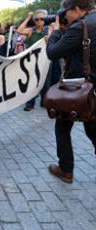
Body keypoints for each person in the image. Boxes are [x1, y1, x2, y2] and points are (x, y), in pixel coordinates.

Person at [46, 0, 96, 183]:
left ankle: (66, 169)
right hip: (90, 89)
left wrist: (56, 32)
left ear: (76, 8)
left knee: (62, 126)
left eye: (65, 11)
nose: (64, 15)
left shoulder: (80, 27)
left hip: (82, 91)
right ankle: (65, 168)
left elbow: (52, 52)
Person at [17, 10, 49, 111]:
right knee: (32, 83)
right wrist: (28, 18)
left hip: (45, 61)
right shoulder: (31, 31)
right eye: (36, 19)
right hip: (32, 62)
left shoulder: (49, 29)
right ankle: (30, 104)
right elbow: (19, 30)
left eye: (42, 19)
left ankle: (44, 101)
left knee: (45, 83)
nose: (39, 21)